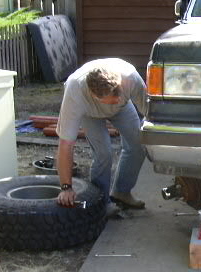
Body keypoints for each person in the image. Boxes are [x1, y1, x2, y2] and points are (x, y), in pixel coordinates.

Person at [56, 58, 148, 213]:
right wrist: (66, 187)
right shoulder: (75, 92)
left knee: (138, 145)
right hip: (90, 113)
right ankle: (101, 203)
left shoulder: (130, 77)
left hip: (123, 109)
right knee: (104, 154)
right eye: (112, 100)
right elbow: (66, 144)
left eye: (118, 93)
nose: (117, 99)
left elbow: (151, 113)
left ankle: (122, 192)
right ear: (94, 95)